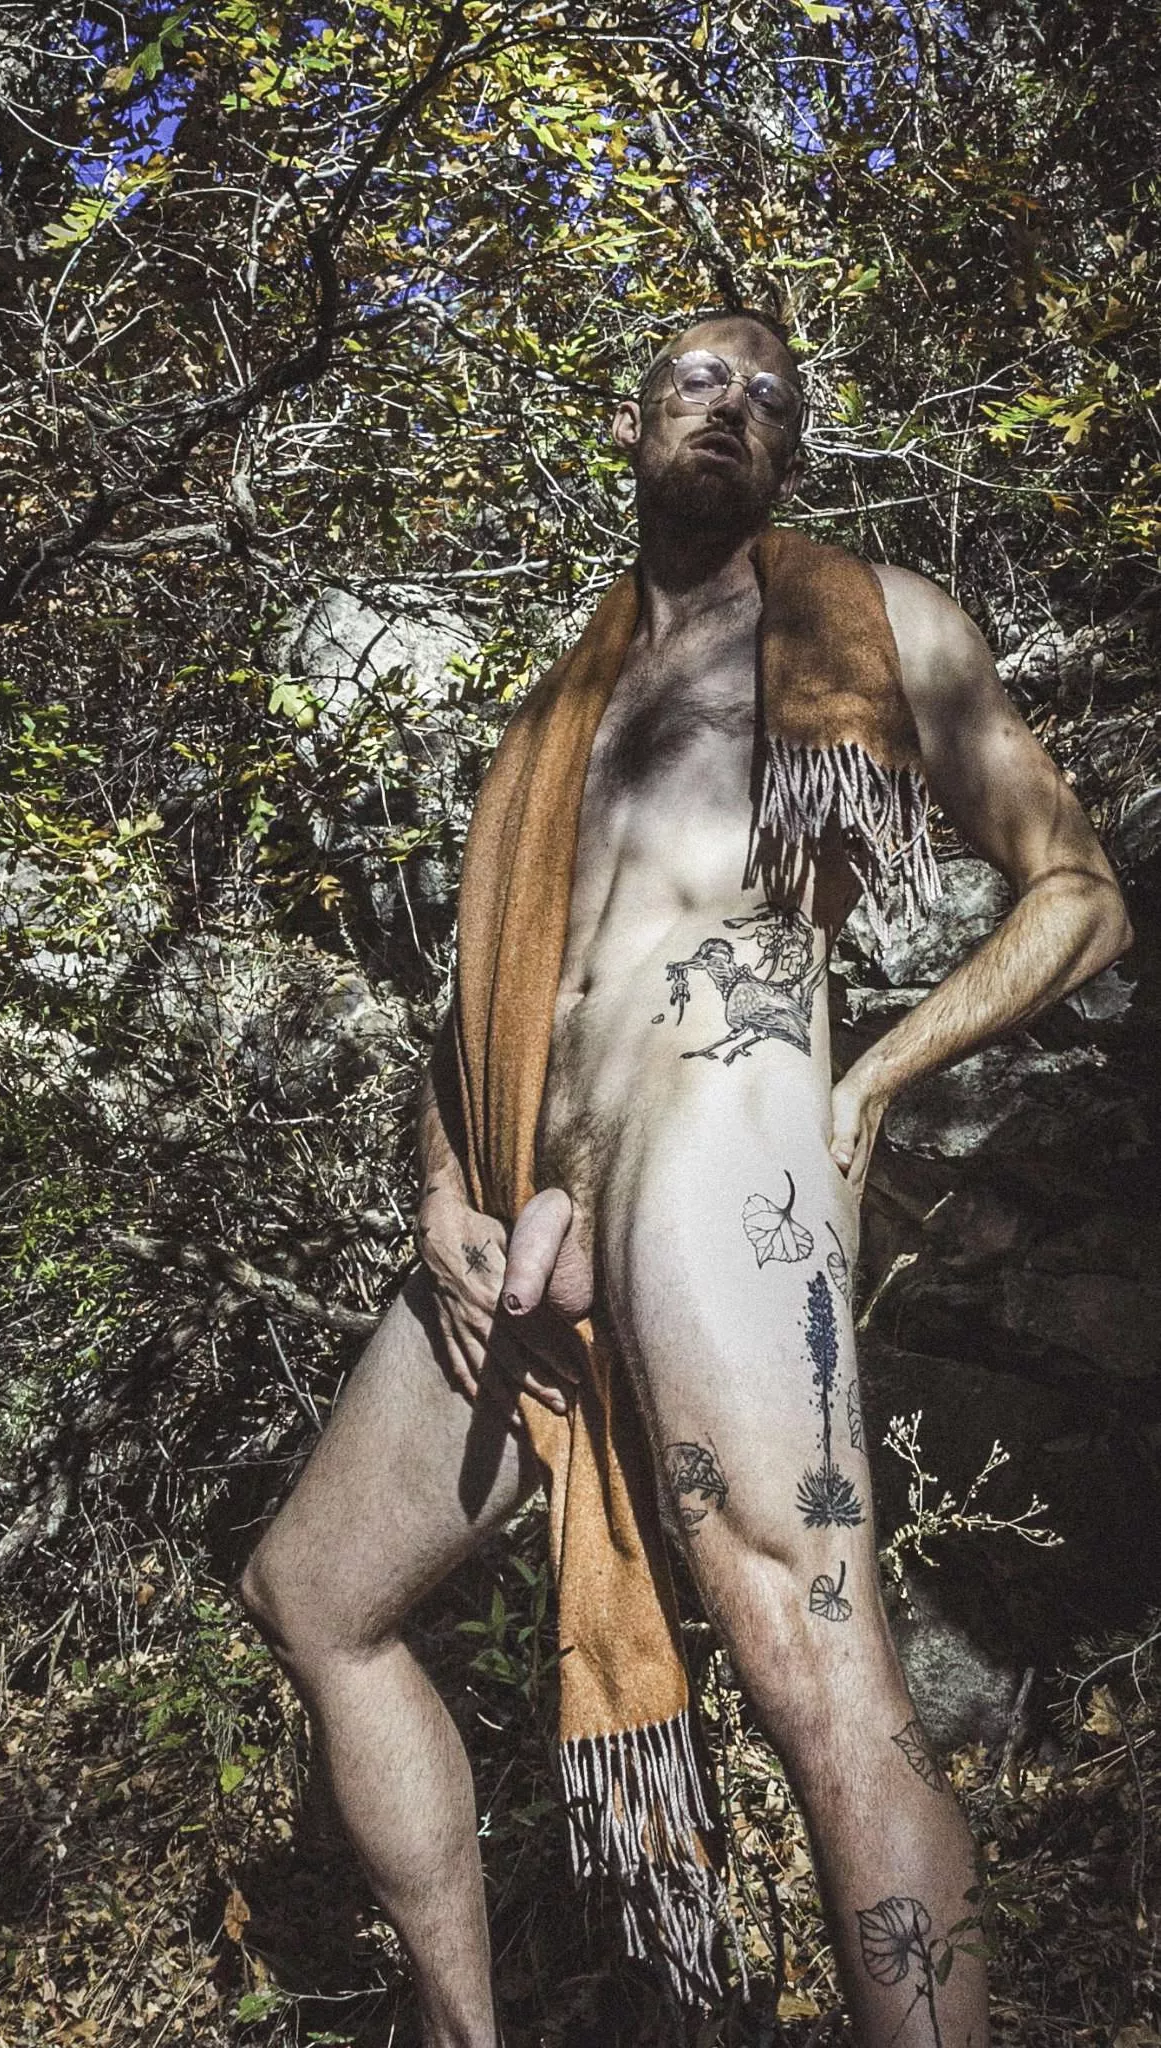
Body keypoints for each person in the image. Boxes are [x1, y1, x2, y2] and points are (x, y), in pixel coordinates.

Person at [240, 309, 1132, 2047]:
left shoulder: (877, 625)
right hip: (517, 1210)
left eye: (770, 399)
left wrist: (871, 1077)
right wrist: (440, 1194)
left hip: (712, 1146)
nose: (732, 407)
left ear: (790, 458)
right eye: (699, 379)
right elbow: (479, 1009)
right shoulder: (555, 710)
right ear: (634, 421)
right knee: (315, 1597)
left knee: (822, 1673)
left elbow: (1082, 896)